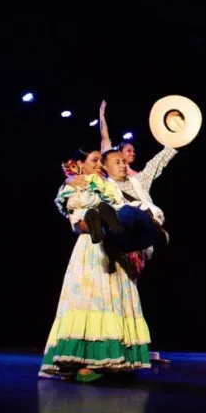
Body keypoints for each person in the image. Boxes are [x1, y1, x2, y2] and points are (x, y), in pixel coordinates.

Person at [40, 150, 153, 382]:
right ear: (78, 165)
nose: (99, 165)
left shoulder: (108, 186)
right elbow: (75, 222)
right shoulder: (75, 185)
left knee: (113, 301)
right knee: (91, 300)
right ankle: (82, 364)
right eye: (94, 161)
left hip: (114, 248)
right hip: (91, 250)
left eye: (99, 161)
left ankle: (114, 360)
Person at [98, 100, 139, 175]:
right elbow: (105, 137)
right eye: (129, 151)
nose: (133, 154)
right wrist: (101, 115)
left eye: (133, 151)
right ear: (119, 152)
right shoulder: (109, 160)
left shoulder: (134, 174)